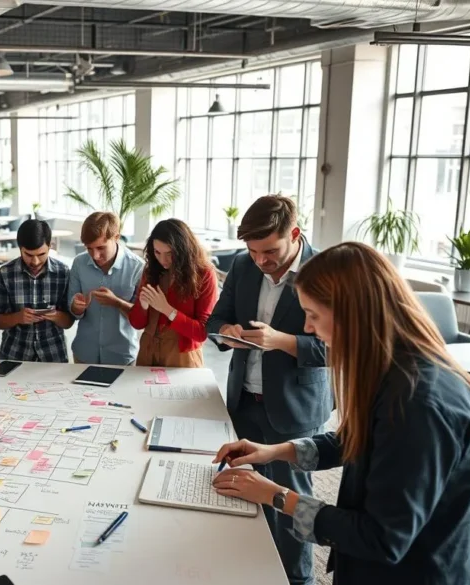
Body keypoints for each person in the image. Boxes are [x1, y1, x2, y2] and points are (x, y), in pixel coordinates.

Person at [213, 242, 470, 585]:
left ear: (351, 313)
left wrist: (276, 495)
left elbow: (381, 538)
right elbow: (360, 438)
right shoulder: (394, 370)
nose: (309, 329)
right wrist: (276, 451)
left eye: (313, 315)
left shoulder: (419, 405)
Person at [206, 194, 330, 585]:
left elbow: (336, 344)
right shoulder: (243, 265)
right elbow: (217, 319)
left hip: (294, 407)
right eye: (253, 251)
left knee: (290, 502)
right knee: (243, 492)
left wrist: (282, 341)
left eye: (270, 250)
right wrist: (226, 334)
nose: (262, 260)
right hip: (242, 399)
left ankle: (298, 579)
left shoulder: (325, 270)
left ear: (295, 233)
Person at [128, 219, 216, 368]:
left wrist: (167, 310)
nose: (163, 260)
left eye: (170, 253)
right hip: (147, 351)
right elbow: (137, 323)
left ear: (183, 250)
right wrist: (142, 307)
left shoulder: (204, 274)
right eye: (157, 252)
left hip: (182, 356)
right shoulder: (151, 271)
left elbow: (202, 332)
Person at [68, 211, 144, 365]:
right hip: (84, 353)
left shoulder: (138, 267)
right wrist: (76, 307)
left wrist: (117, 302)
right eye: (89, 248)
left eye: (101, 248)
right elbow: (72, 312)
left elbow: (141, 318)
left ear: (116, 237)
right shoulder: (78, 263)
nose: (95, 255)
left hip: (121, 356)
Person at [0, 219, 72, 362]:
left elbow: (68, 322)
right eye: (28, 255)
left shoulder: (63, 273)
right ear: (20, 248)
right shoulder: (3, 275)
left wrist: (55, 315)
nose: (35, 261)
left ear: (50, 246)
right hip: (14, 353)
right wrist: (17, 317)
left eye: (41, 254)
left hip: (53, 353)